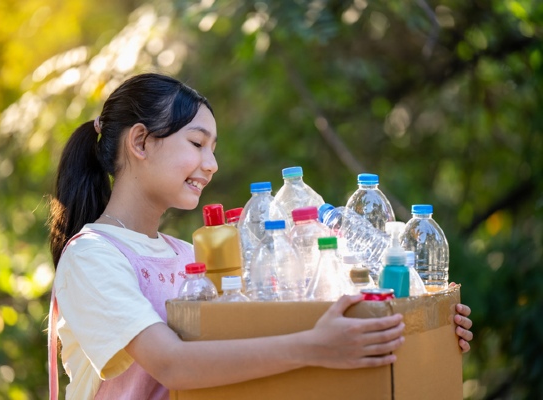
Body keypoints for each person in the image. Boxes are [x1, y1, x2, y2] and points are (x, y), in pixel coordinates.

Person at [47, 72, 473, 400]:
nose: (211, 164)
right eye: (197, 143)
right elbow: (174, 366)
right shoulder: (92, 257)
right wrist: (315, 347)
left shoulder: (185, 255)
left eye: (213, 149)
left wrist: (421, 327)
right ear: (140, 141)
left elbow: (254, 342)